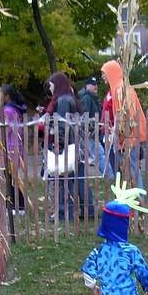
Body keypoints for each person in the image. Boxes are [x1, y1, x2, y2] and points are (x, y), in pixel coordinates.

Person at [44, 72, 94, 220]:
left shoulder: (63, 100)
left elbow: (62, 123)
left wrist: (59, 144)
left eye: (51, 84)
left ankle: (65, 211)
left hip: (68, 145)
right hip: (75, 144)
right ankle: (87, 209)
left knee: (65, 178)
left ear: (57, 84)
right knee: (78, 177)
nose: (50, 88)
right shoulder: (69, 98)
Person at [101, 60, 147, 190]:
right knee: (129, 171)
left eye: (104, 73)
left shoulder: (122, 90)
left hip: (129, 138)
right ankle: (134, 202)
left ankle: (140, 202)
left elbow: (128, 115)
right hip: (125, 138)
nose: (103, 77)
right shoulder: (117, 89)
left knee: (133, 171)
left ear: (111, 73)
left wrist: (118, 132)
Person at [0, 83, 27, 212]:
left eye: (0, 95)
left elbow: (5, 130)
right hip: (16, 145)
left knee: (11, 177)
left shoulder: (7, 111)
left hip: (9, 146)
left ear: (7, 96)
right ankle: (18, 205)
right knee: (13, 176)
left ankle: (17, 205)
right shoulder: (15, 109)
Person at [78, 76, 112, 179]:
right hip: (89, 133)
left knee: (97, 155)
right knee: (99, 155)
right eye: (93, 85)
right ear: (87, 86)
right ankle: (110, 176)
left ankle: (109, 175)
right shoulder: (86, 98)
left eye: (96, 84)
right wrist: (89, 129)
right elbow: (84, 116)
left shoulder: (91, 97)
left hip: (92, 132)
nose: (95, 86)